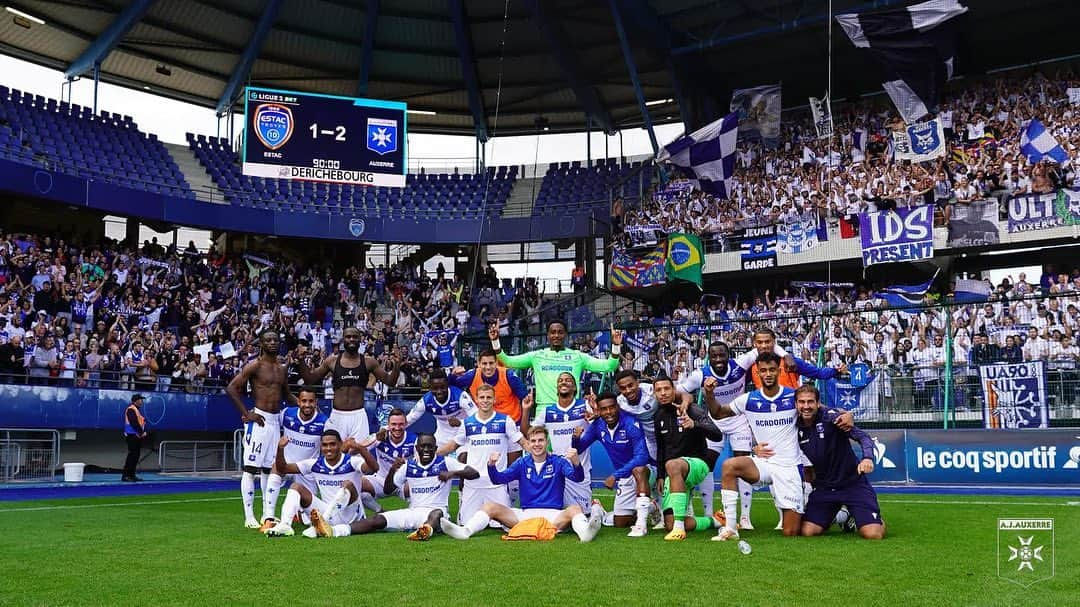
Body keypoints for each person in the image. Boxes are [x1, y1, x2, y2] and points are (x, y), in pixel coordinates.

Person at [440, 426, 603, 542]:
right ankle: (465, 531)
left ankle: (585, 533)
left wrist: (576, 462)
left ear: (547, 442)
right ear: (529, 444)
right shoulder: (522, 462)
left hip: (553, 516)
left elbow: (577, 477)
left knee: (575, 509)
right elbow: (499, 479)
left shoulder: (559, 461)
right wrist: (491, 465)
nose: (537, 444)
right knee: (490, 507)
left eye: (541, 440)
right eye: (533, 441)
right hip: (525, 516)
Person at [708, 353, 805, 541]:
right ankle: (730, 528)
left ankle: (837, 515)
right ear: (757, 373)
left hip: (788, 467)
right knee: (729, 466)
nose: (767, 374)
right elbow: (718, 413)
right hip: (764, 464)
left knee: (791, 531)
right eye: (763, 370)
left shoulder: (793, 397)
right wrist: (710, 394)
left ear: (779, 370)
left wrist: (843, 415)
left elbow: (818, 410)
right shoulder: (748, 399)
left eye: (771, 370)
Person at [769, 385, 886, 539]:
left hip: (852, 484)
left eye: (810, 402)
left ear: (818, 403)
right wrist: (757, 447)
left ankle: (876, 520)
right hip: (824, 487)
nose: (806, 406)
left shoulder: (833, 418)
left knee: (873, 534)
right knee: (807, 531)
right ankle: (844, 517)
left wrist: (867, 458)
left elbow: (863, 437)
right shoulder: (791, 425)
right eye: (801, 402)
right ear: (796, 404)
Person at [676, 342, 764, 528]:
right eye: (713, 356)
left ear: (728, 355)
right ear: (709, 357)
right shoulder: (700, 374)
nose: (718, 360)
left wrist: (785, 355)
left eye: (721, 355)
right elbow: (680, 391)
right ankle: (709, 514)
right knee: (706, 464)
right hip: (713, 421)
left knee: (743, 463)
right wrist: (687, 402)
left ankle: (745, 518)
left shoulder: (740, 363)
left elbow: (764, 347)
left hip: (738, 420)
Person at [334, 434, 479, 540]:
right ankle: (338, 530)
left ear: (435, 448)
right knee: (378, 520)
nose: (426, 450)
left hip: (436, 512)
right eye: (423, 446)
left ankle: (425, 531)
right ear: (417, 448)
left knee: (437, 513)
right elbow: (388, 490)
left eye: (430, 446)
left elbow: (474, 473)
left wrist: (453, 473)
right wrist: (392, 470)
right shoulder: (408, 466)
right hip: (413, 512)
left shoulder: (446, 462)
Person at [225, 329, 296, 529]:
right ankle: (249, 516)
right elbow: (231, 388)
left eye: (275, 340)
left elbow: (287, 394)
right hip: (259, 421)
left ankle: (267, 515)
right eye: (268, 340)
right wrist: (247, 414)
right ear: (262, 344)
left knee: (268, 470)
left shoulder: (282, 368)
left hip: (275, 422)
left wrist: (305, 403)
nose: (272, 343)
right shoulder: (255, 365)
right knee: (250, 470)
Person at [490, 319, 621, 418]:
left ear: (565, 334)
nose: (556, 335)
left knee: (571, 452)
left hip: (571, 410)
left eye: (560, 332)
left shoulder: (578, 356)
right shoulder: (536, 356)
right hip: (544, 411)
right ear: (547, 335)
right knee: (542, 452)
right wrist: (495, 341)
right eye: (553, 332)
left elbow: (609, 366)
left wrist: (615, 345)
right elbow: (506, 361)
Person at [436, 383, 527, 524]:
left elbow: (522, 442)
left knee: (507, 525)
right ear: (476, 399)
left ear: (494, 399)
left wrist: (538, 451)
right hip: (473, 482)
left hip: (496, 483)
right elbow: (452, 446)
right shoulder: (467, 423)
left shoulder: (505, 421)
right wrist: (434, 453)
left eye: (489, 397)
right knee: (466, 524)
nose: (485, 400)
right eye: (482, 397)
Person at [297, 326, 401, 448]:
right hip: (337, 416)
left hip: (358, 417)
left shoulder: (369, 362)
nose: (351, 339)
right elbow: (310, 380)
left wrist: (397, 365)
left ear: (360, 339)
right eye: (348, 337)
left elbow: (390, 381)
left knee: (358, 457)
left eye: (355, 337)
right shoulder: (332, 361)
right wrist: (301, 361)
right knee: (335, 456)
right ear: (343, 339)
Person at [266, 429, 378, 538]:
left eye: (332, 444)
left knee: (347, 484)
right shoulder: (316, 463)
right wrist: (280, 448)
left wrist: (360, 448)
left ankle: (320, 525)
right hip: (329, 513)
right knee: (296, 487)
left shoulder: (352, 461)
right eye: (325, 445)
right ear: (321, 446)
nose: (328, 448)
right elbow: (282, 469)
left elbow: (374, 468)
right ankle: (285, 525)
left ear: (340, 444)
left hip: (352, 515)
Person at [653, 376, 726, 541]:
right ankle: (715, 521)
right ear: (654, 393)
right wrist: (659, 475)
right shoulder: (658, 416)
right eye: (659, 390)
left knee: (672, 464)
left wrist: (695, 425)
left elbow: (717, 435)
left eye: (667, 389)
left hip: (698, 464)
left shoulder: (692, 409)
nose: (663, 393)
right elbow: (661, 448)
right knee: (668, 524)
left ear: (674, 390)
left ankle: (679, 530)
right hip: (673, 472)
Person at [571, 392, 653, 536]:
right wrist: (576, 439)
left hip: (647, 472)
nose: (608, 412)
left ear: (618, 406)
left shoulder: (631, 423)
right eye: (604, 409)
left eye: (612, 407)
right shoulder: (598, 425)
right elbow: (579, 449)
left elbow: (642, 457)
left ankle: (641, 524)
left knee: (639, 470)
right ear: (599, 410)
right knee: (620, 523)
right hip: (625, 478)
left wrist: (615, 475)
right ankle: (651, 507)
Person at [521, 372, 592, 511]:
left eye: (568, 380)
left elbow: (599, 423)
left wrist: (596, 411)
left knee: (583, 514)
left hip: (579, 468)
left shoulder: (585, 406)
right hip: (557, 470)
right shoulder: (548, 411)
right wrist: (525, 411)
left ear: (575, 388)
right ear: (557, 387)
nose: (563, 382)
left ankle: (596, 508)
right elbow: (527, 432)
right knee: (557, 515)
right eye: (560, 380)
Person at [261, 387, 328, 529]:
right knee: (275, 469)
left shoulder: (324, 422)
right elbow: (270, 422)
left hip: (306, 470)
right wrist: (251, 415)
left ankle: (300, 513)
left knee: (310, 521)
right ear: (298, 402)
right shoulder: (287, 414)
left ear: (316, 403)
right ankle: (268, 518)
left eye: (311, 401)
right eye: (304, 401)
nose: (307, 404)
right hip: (286, 463)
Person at [359, 408, 417, 512]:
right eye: (393, 424)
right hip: (380, 480)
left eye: (401, 424)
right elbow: (355, 450)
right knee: (354, 483)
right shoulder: (380, 436)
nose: (397, 428)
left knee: (422, 485)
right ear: (388, 425)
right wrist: (375, 438)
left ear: (406, 424)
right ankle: (380, 511)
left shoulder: (413, 440)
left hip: (403, 483)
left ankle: (413, 513)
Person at [449, 349, 529, 423]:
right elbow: (449, 386)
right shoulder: (472, 376)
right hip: (485, 423)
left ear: (496, 363)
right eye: (484, 363)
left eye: (491, 363)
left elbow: (525, 399)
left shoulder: (509, 376)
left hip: (511, 421)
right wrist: (452, 376)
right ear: (479, 364)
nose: (488, 367)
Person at [404, 369, 476, 447]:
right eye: (435, 388)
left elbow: (476, 416)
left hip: (462, 434)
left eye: (442, 387)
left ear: (447, 385)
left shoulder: (460, 396)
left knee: (462, 457)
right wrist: (389, 428)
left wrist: (461, 423)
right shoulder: (426, 400)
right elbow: (410, 419)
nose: (439, 392)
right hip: (442, 437)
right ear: (430, 387)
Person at [121, 394, 148, 482]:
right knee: (132, 456)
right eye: (140, 400)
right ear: (135, 401)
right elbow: (134, 423)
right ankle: (126, 475)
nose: (142, 401)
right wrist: (141, 432)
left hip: (135, 436)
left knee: (135, 456)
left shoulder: (136, 410)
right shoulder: (131, 409)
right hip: (132, 436)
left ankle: (131, 475)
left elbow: (138, 422)